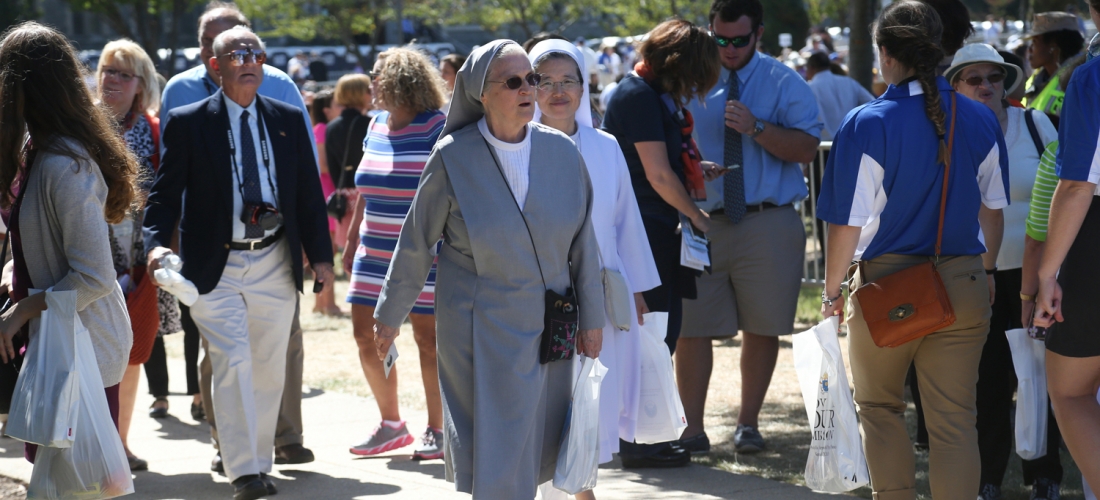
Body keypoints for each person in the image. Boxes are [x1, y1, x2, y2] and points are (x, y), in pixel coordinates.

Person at [372, 39, 603, 498]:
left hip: (550, 322)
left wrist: (592, 318)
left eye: (531, 79)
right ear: (480, 92)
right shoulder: (452, 155)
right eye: (514, 81)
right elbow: (416, 241)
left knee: (538, 437)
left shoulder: (561, 152)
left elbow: (584, 243)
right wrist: (389, 314)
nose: (528, 89)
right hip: (481, 325)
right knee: (497, 443)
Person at [818, 2, 1009, 497]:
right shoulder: (983, 119)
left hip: (888, 285)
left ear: (885, 53)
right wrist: (984, 271)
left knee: (880, 410)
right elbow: (993, 213)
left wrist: (831, 291)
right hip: (966, 278)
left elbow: (844, 226)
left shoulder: (867, 122)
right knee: (955, 424)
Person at [144, 26, 333, 500]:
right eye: (236, 54)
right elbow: (165, 196)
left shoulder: (289, 118)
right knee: (232, 360)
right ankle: (243, 471)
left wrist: (323, 258)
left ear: (264, 63)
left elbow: (309, 196)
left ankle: (258, 462)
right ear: (216, 66)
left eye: (255, 53)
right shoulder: (188, 121)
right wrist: (154, 245)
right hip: (215, 264)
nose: (248, 60)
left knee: (270, 368)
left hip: (273, 257)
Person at [680, 0, 822, 455]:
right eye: (720, 39)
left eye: (739, 40)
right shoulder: (686, 80)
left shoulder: (785, 81)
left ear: (758, 34)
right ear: (709, 31)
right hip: (702, 220)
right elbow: (666, 145)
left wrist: (757, 128)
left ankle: (748, 424)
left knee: (762, 326)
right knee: (693, 327)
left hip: (767, 220)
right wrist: (693, 167)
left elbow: (805, 149)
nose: (729, 48)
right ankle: (693, 430)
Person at [0, 21, 140, 464]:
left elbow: (94, 276)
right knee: (55, 476)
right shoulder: (35, 149)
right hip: (55, 344)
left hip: (85, 350)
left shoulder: (66, 165)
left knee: (83, 485)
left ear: (22, 88)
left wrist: (24, 308)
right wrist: (15, 268)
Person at [528, 39, 661, 499]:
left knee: (588, 405)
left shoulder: (605, 148)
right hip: (535, 300)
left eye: (569, 80)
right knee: (545, 409)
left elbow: (626, 221)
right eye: (545, 81)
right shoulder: (513, 147)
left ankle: (578, 489)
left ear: (586, 87)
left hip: (599, 300)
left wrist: (638, 289)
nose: (558, 91)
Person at [945, 42, 1063, 500]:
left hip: (1040, 275)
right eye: (974, 78)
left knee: (1045, 377)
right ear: (955, 87)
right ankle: (987, 479)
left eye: (994, 77)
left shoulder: (1035, 125)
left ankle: (1046, 476)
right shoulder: (948, 133)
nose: (987, 86)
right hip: (979, 275)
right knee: (989, 381)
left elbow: (1066, 187)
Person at [602, 19, 721, 468]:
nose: (695, 86)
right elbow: (654, 173)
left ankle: (644, 434)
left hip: (655, 230)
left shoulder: (649, 95)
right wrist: (695, 214)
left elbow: (657, 163)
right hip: (645, 232)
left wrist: (694, 168)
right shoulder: (638, 96)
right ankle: (637, 440)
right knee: (652, 335)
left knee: (662, 333)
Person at [342, 48, 448, 461]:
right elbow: (366, 192)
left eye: (377, 76)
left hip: (425, 254)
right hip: (373, 251)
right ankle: (391, 425)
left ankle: (439, 430)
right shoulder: (375, 125)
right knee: (366, 336)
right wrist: (351, 242)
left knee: (428, 340)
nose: (371, 83)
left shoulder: (435, 127)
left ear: (402, 80)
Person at [95, 38, 183, 474]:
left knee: (129, 354)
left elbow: (169, 191)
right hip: (90, 254)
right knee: (92, 354)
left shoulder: (154, 128)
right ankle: (93, 445)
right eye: (107, 69)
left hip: (137, 259)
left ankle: (120, 445)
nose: (111, 79)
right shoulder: (83, 124)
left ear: (141, 84)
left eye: (123, 73)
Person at [1034, 0, 1100, 486]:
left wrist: (1046, 273)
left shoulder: (1091, 78)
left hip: (1093, 243)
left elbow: (1077, 185)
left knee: (1072, 394)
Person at [326, 74, 373, 262]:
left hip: (344, 199)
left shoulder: (331, 127)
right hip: (367, 197)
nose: (372, 93)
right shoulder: (370, 124)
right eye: (368, 90)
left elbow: (332, 169)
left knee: (350, 257)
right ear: (359, 94)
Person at [310, 89, 344, 317]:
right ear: (326, 109)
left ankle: (320, 303)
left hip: (323, 190)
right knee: (327, 250)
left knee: (323, 251)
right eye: (337, 104)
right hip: (327, 190)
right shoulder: (323, 130)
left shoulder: (317, 129)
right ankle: (328, 303)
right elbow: (323, 165)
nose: (341, 108)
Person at [1022, 11, 1086, 118]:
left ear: (1053, 45)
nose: (1029, 49)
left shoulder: (1080, 79)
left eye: (1034, 41)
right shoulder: (1035, 78)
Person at [806, 51, 874, 141]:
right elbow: (872, 104)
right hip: (850, 143)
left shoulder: (808, 89)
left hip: (822, 146)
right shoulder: (849, 82)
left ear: (810, 68)